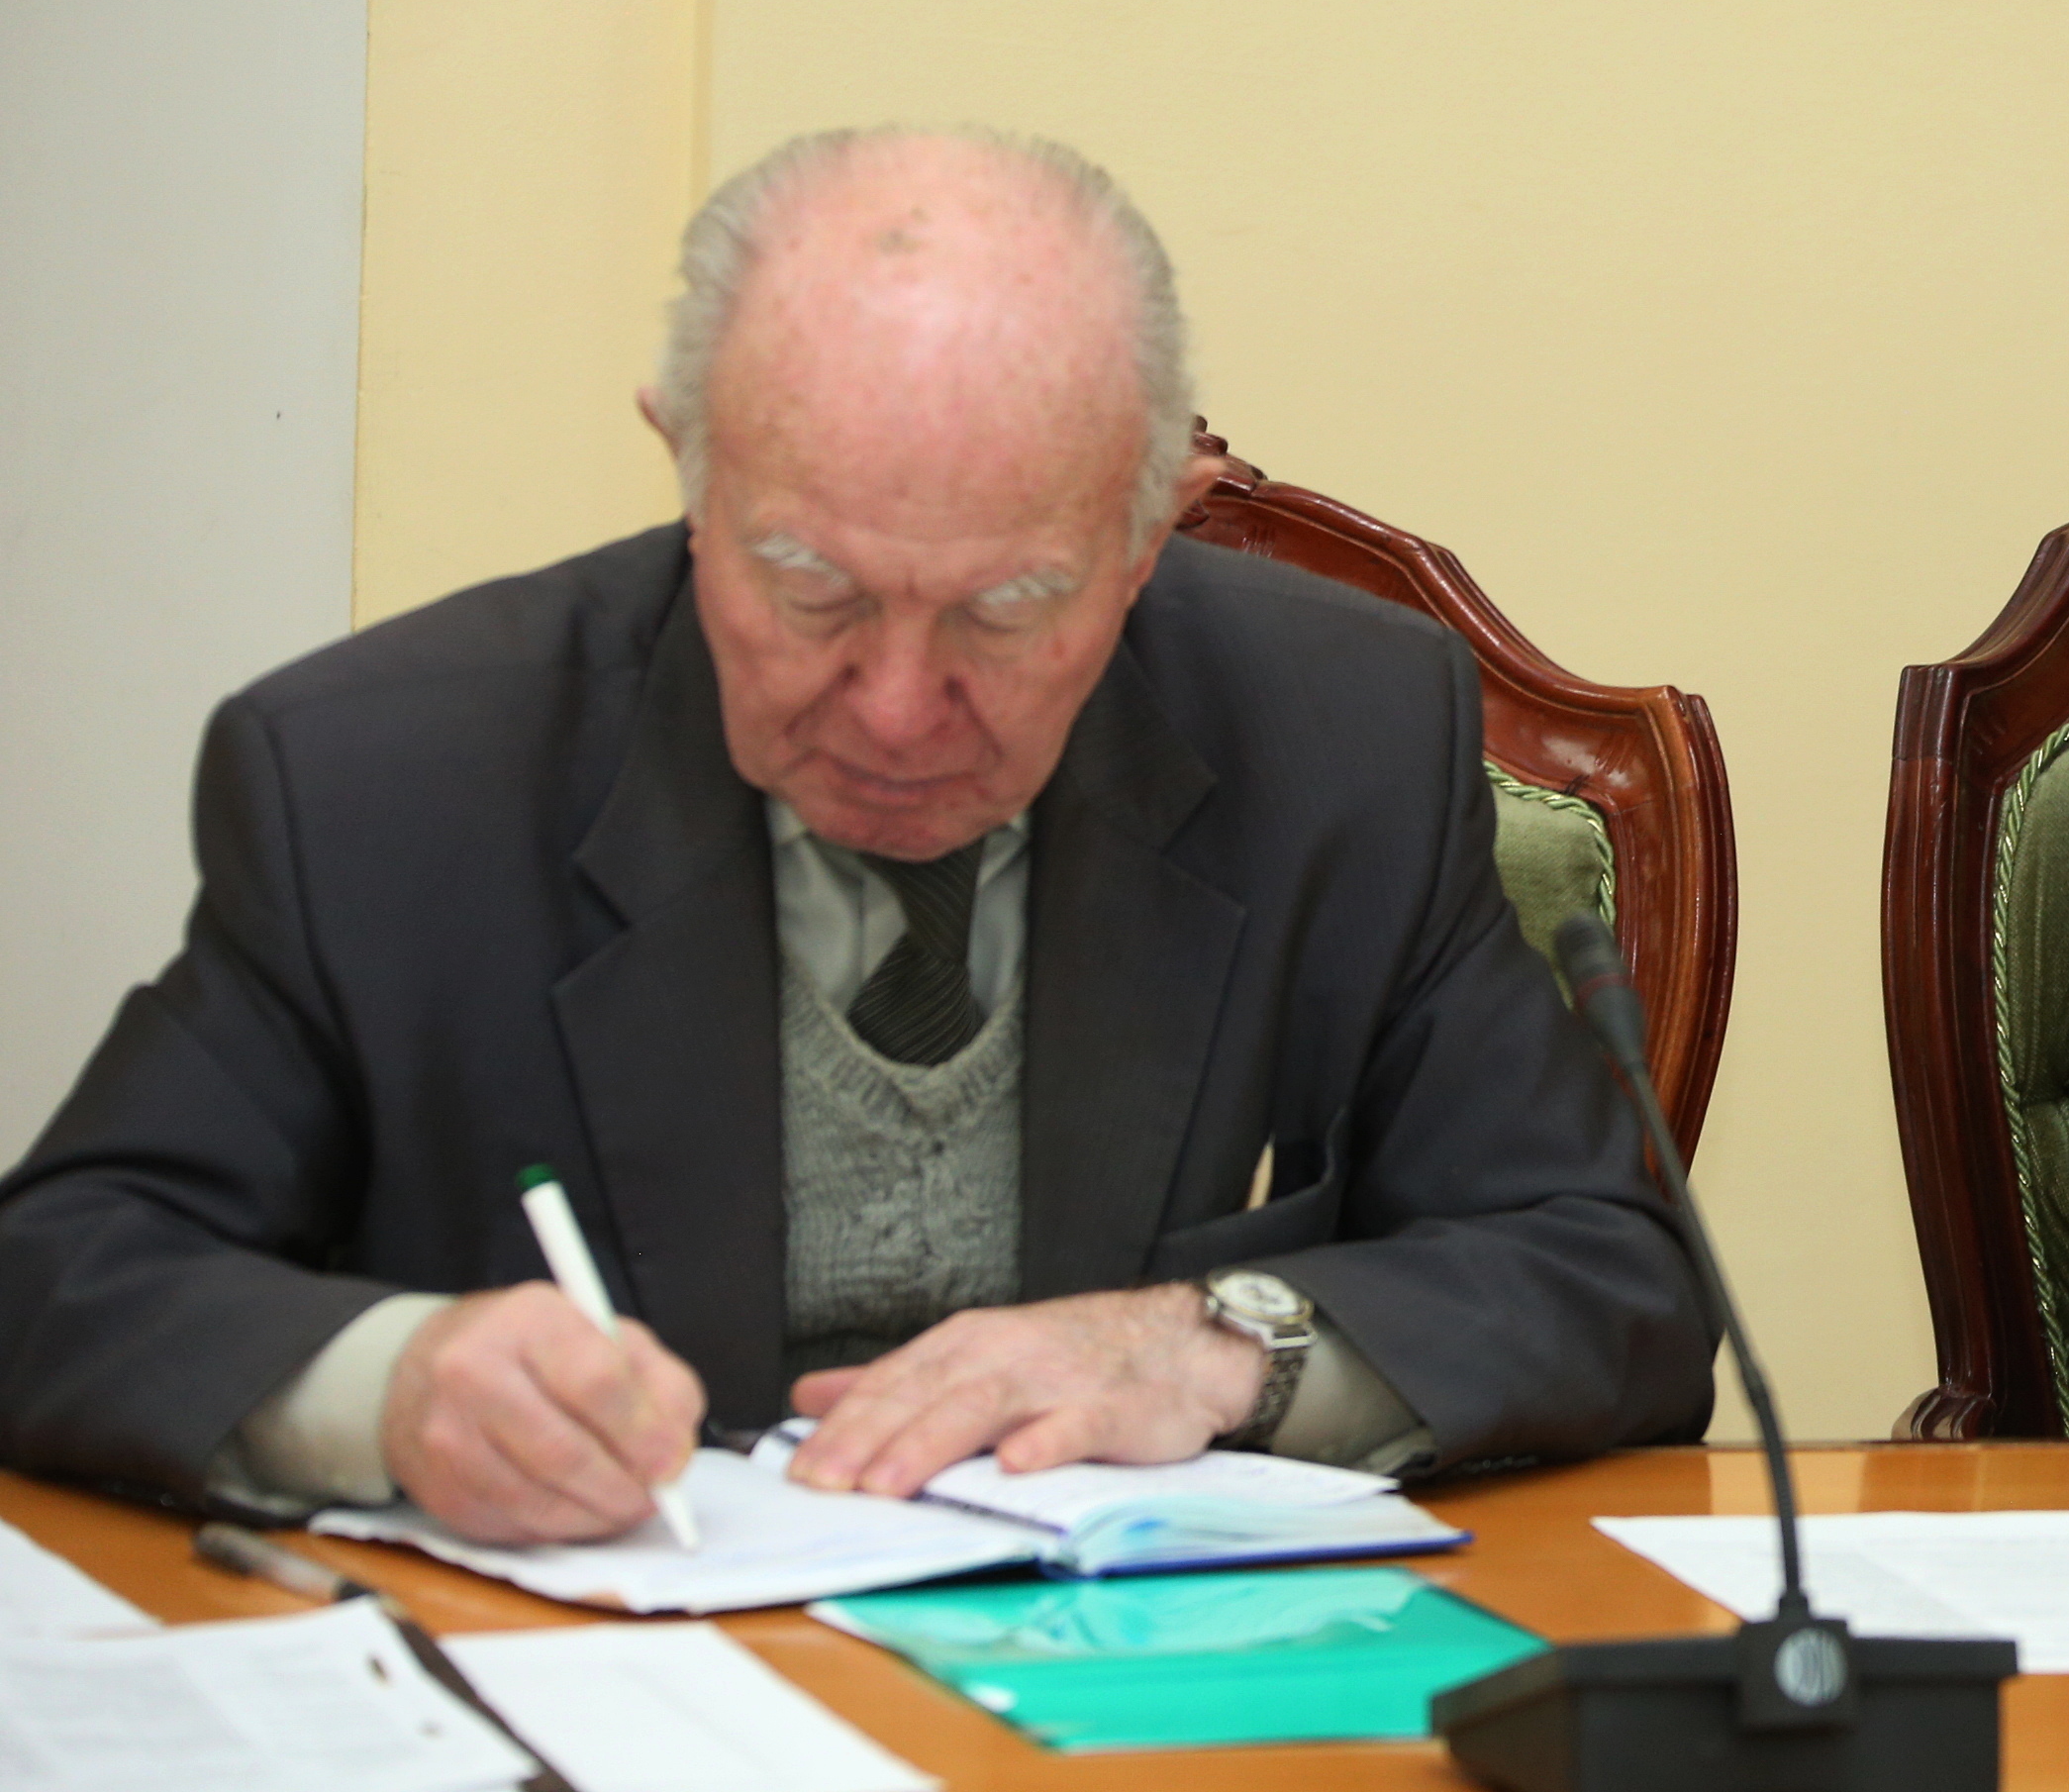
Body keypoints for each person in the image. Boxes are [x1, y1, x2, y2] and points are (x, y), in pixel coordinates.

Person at [0, 129, 1712, 1541]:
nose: (895, 709)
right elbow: (58, 1275)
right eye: (809, 588)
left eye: (1005, 611)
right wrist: (394, 1386)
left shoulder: (1338, 740)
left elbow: (1607, 1283)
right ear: (690, 473)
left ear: (1150, 539)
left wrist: (1218, 1350)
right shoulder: (382, 782)